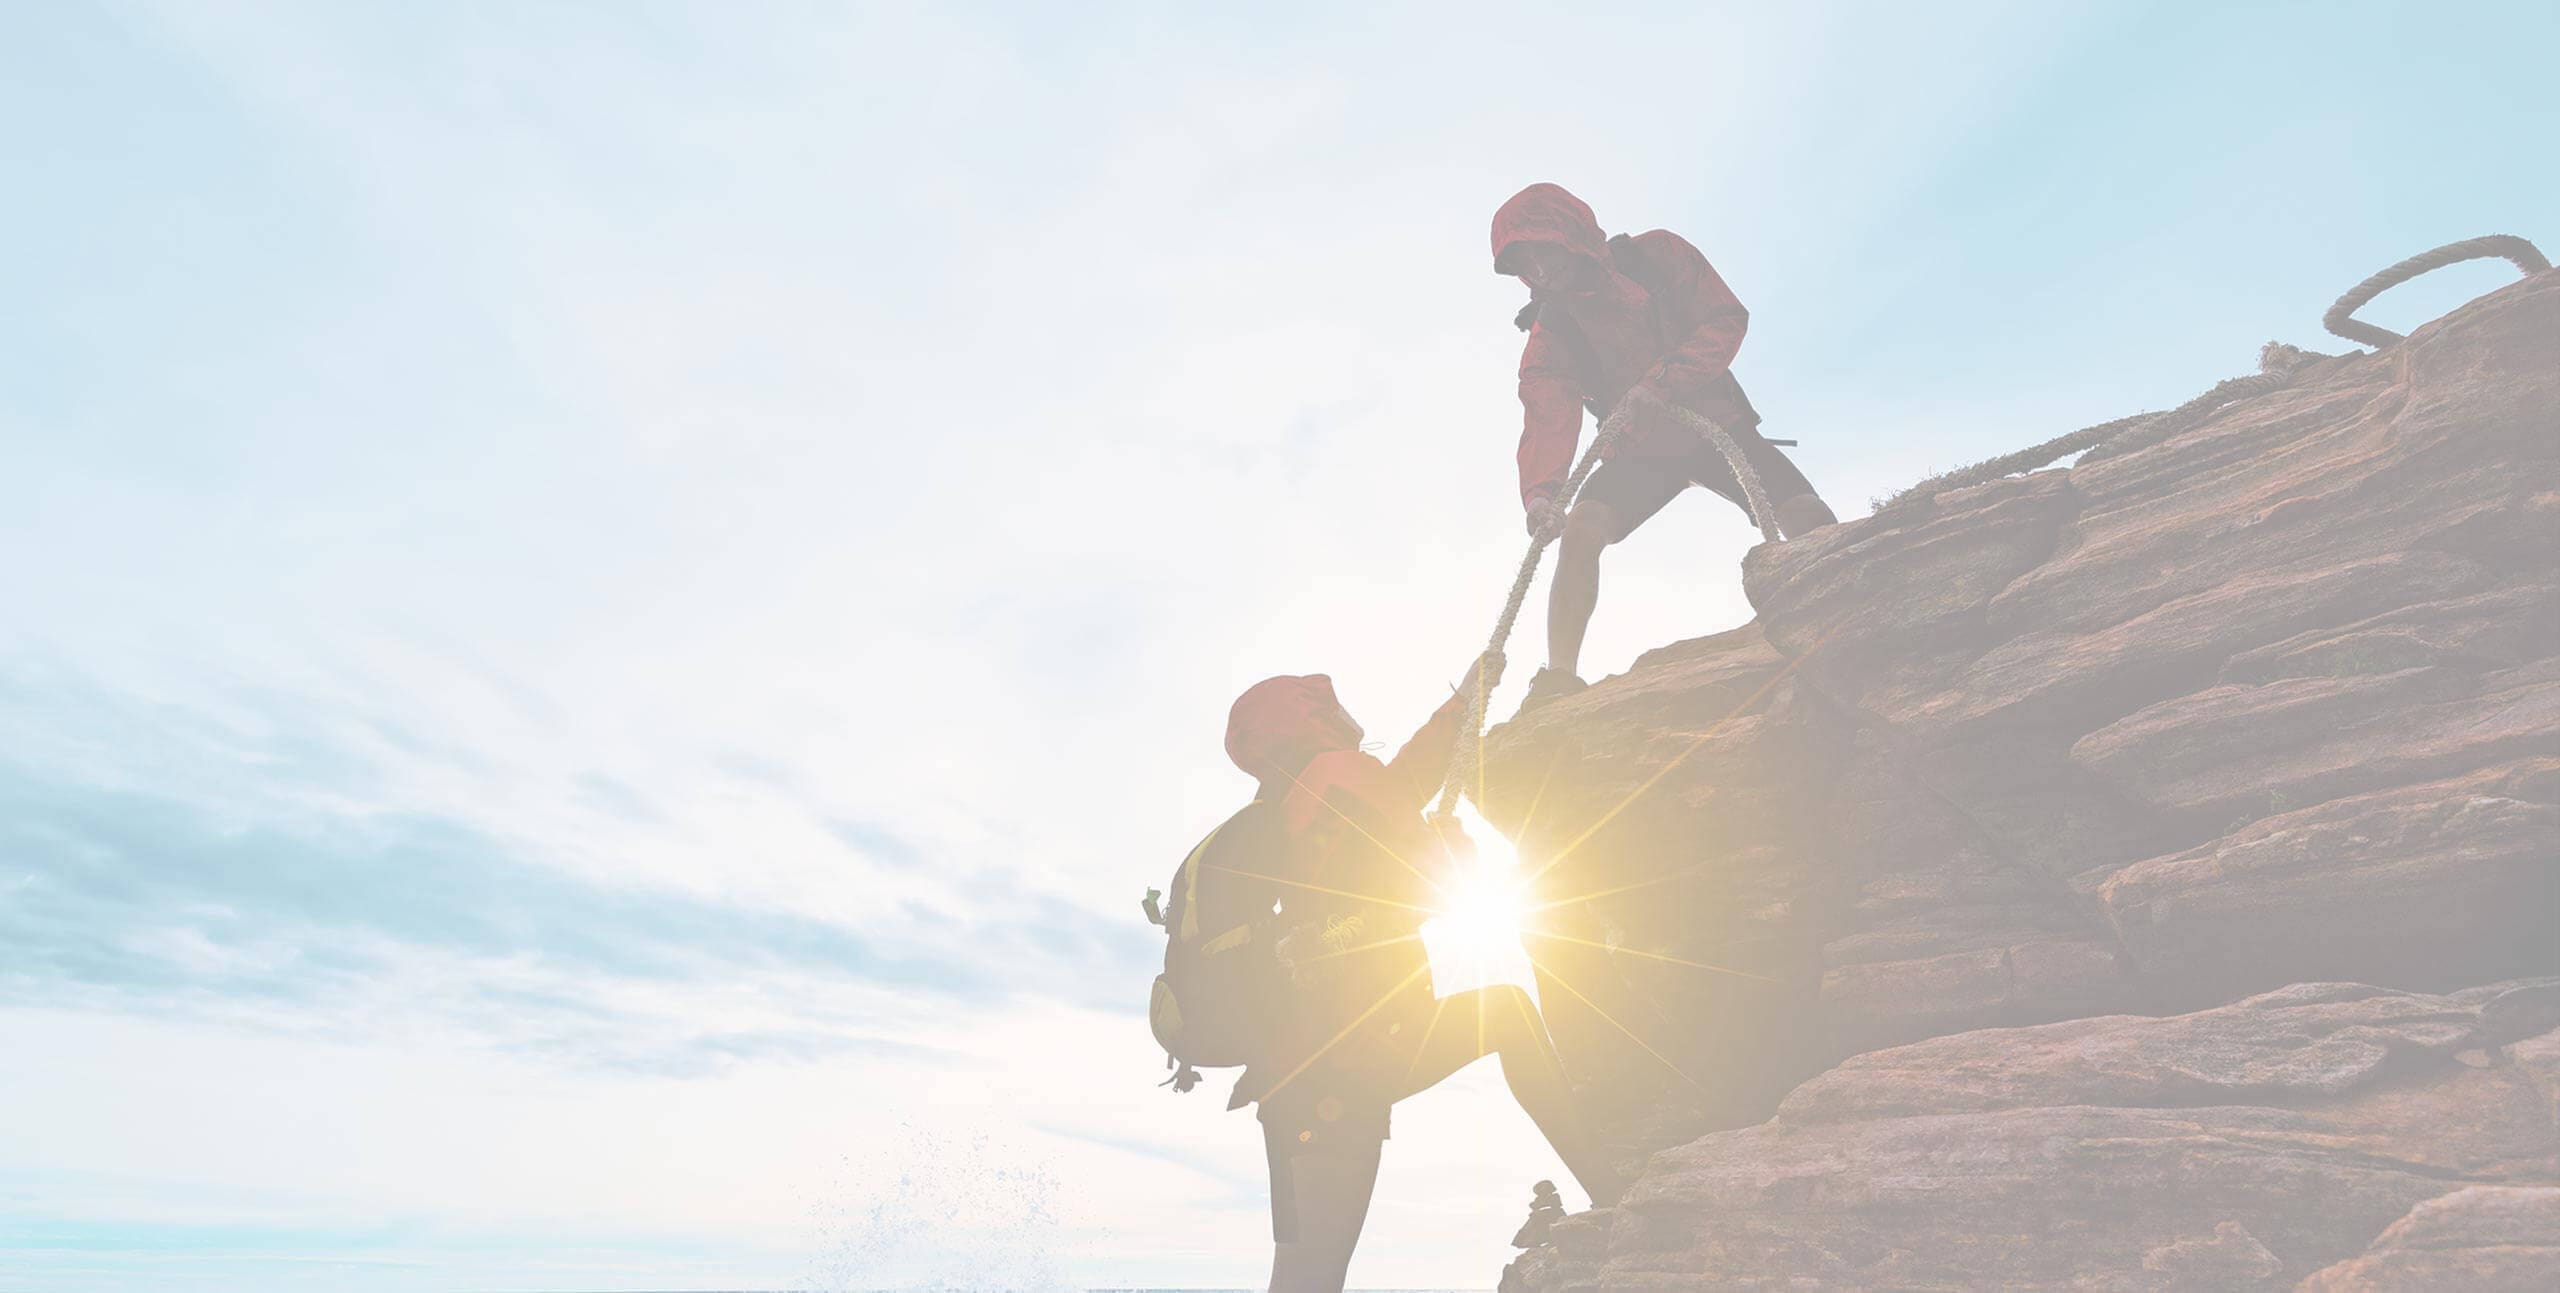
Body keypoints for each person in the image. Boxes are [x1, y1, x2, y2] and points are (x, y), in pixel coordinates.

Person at [1219, 659, 1623, 1293]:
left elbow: (1401, 790)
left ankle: (1611, 1186)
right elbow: (1414, 884)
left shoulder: (1289, 799)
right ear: (1311, 719)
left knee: (1306, 1278)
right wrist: (1451, 852)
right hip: (1349, 1062)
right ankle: (1613, 1187)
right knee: (1510, 1014)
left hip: (1303, 1075)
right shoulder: (1340, 775)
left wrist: (1465, 700)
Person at [1492, 182, 1839, 712]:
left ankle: (1845, 608)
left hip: (1715, 424)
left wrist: (1662, 382)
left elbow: (1724, 317)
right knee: (1580, 529)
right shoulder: (1552, 329)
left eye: (1544, 251)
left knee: (1806, 515)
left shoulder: (1656, 258)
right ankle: (1558, 677)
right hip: (1637, 451)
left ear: (1572, 234)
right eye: (1525, 264)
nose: (1539, 272)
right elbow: (1546, 408)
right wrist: (1542, 494)